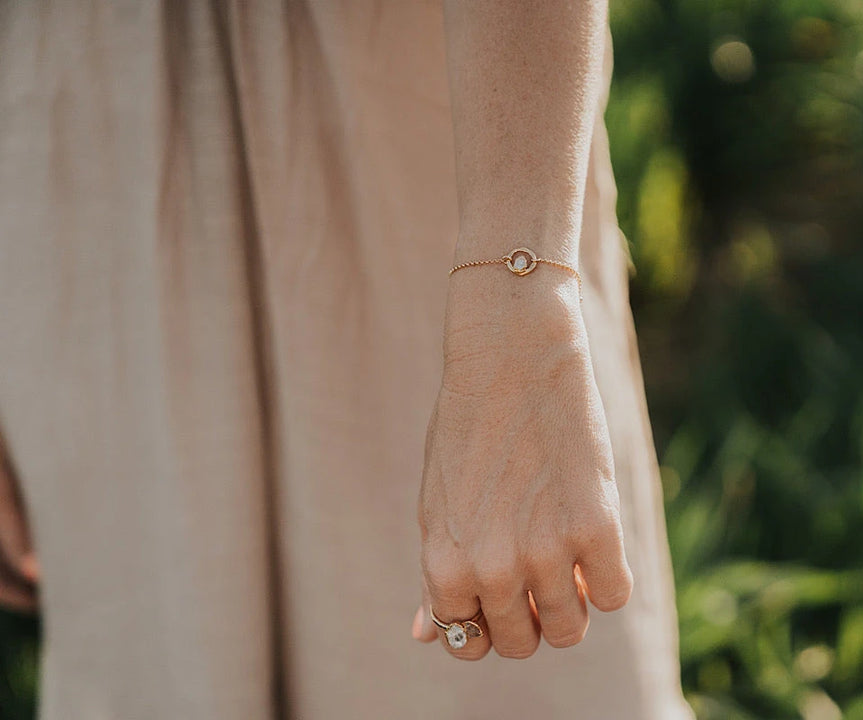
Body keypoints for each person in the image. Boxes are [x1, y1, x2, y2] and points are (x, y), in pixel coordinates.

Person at [0, 1, 692, 717]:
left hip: (425, 116)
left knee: (498, 657)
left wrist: (521, 307)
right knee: (163, 660)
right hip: (79, 154)